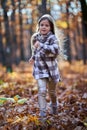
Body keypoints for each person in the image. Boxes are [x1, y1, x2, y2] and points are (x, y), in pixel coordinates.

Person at [29, 14, 62, 117]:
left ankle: (54, 106)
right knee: (42, 91)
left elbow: (55, 50)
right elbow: (36, 50)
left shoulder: (53, 38)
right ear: (39, 26)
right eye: (42, 25)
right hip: (40, 69)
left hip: (51, 70)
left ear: (51, 27)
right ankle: (42, 113)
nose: (43, 27)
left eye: (46, 25)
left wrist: (41, 45)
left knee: (52, 92)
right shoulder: (36, 37)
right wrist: (33, 57)